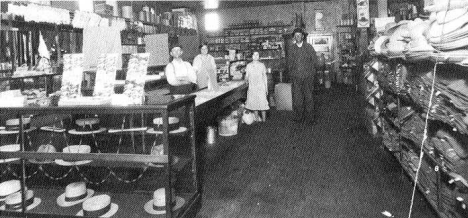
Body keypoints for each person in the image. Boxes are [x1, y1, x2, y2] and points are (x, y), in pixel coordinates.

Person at [287, 27, 319, 125]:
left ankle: (310, 118)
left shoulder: (309, 47)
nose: (298, 37)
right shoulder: (291, 49)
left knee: (309, 98)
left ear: (303, 36)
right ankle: (299, 117)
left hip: (308, 78)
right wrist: (292, 74)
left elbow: (315, 61)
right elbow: (289, 63)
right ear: (294, 37)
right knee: (297, 99)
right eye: (296, 35)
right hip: (296, 78)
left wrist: (311, 73)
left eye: (299, 35)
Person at [245, 51, 269, 122]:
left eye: (257, 55)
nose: (255, 56)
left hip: (261, 87)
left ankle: (264, 121)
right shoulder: (248, 65)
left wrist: (266, 87)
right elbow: (246, 76)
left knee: (263, 104)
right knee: (254, 104)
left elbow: (265, 77)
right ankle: (257, 121)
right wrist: (246, 80)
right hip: (252, 87)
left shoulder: (262, 65)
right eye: (254, 55)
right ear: (252, 56)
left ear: (259, 56)